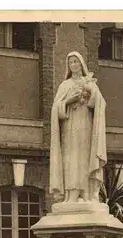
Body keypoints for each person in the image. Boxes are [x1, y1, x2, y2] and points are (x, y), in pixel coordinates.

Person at [50, 51, 107, 204]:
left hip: (86, 126)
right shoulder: (65, 85)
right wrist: (68, 100)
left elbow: (100, 103)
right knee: (70, 160)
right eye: (71, 63)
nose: (74, 65)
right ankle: (72, 194)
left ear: (81, 64)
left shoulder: (89, 82)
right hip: (69, 128)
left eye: (76, 62)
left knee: (84, 158)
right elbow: (55, 109)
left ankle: (86, 193)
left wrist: (89, 90)